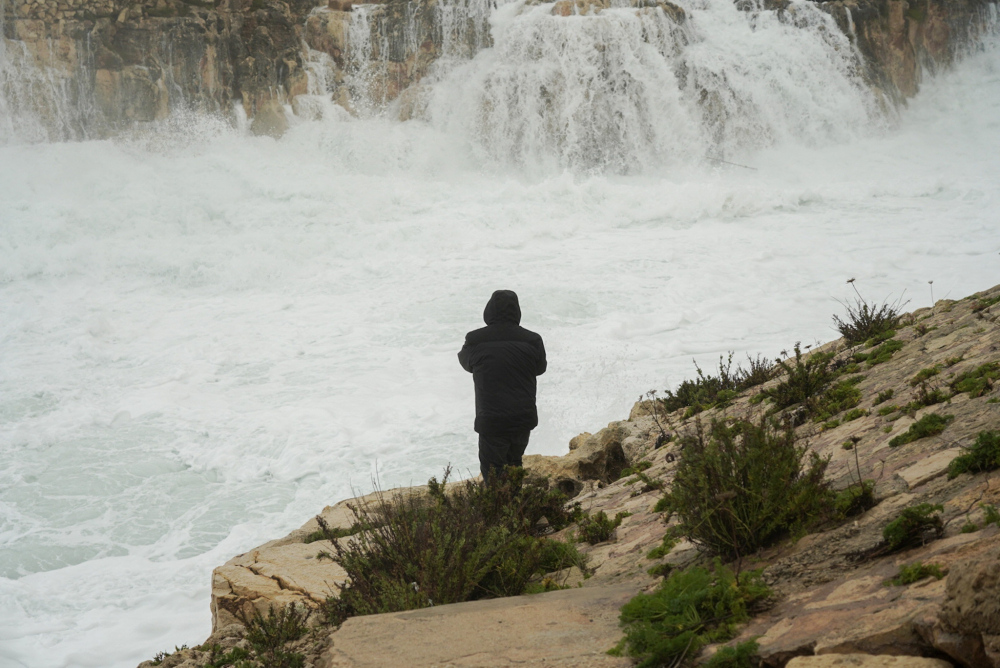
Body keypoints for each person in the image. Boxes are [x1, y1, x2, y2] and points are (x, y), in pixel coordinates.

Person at [458, 290, 547, 481]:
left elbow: (466, 364)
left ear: (489, 311)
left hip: (492, 420)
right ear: (517, 311)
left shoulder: (475, 339)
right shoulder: (532, 339)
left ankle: (499, 509)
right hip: (523, 418)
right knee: (515, 463)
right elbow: (540, 368)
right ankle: (517, 506)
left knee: (493, 472)